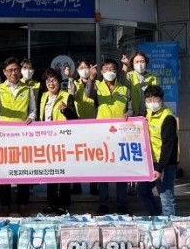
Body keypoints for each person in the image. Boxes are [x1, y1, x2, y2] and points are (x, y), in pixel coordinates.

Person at [0, 57, 36, 216]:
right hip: (5, 136)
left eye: (16, 70)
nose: (13, 73)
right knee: (5, 172)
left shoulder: (27, 88)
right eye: (10, 70)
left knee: (23, 171)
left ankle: (24, 203)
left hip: (23, 136)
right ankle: (5, 204)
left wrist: (32, 117)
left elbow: (33, 109)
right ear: (4, 72)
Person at [84, 59, 133, 215]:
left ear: (117, 71)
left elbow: (131, 108)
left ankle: (122, 203)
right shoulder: (97, 86)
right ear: (102, 72)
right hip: (102, 134)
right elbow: (88, 94)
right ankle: (103, 202)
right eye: (106, 69)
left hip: (121, 135)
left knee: (122, 170)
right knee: (103, 170)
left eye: (112, 68)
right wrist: (91, 78)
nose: (109, 71)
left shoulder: (124, 88)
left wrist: (129, 113)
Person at [39, 68, 77, 214]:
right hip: (47, 140)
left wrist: (66, 110)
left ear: (59, 81)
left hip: (63, 140)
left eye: (54, 80)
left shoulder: (67, 96)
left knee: (64, 172)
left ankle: (64, 203)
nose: (51, 83)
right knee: (51, 172)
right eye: (48, 80)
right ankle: (51, 203)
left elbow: (75, 118)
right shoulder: (42, 97)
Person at [136, 85, 178, 216]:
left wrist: (160, 168)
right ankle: (158, 217)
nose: (152, 103)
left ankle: (170, 226)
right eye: (148, 100)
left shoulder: (168, 117)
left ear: (161, 99)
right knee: (143, 190)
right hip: (151, 161)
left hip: (164, 163)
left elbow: (168, 145)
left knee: (166, 197)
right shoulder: (149, 114)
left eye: (155, 99)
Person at [65, 59, 98, 195]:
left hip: (94, 123)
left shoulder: (98, 83)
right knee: (77, 156)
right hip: (78, 124)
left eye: (86, 66)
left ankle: (94, 185)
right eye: (81, 67)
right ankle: (76, 184)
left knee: (94, 157)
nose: (84, 69)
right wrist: (70, 78)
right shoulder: (75, 83)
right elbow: (71, 95)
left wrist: (92, 78)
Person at [121, 52, 158, 117]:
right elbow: (122, 83)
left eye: (142, 61)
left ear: (146, 63)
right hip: (132, 114)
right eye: (137, 62)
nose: (140, 64)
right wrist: (125, 66)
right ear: (133, 64)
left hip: (148, 115)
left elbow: (157, 95)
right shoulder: (129, 75)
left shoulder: (152, 78)